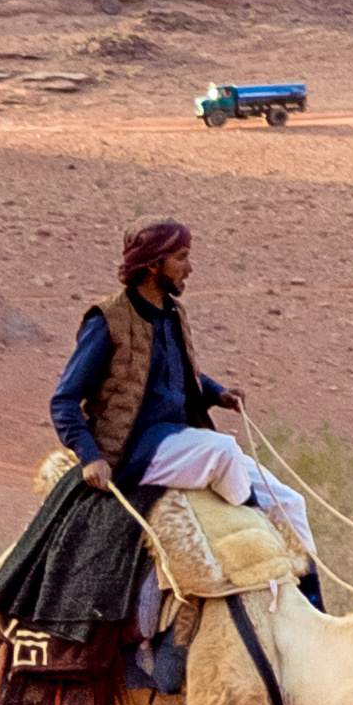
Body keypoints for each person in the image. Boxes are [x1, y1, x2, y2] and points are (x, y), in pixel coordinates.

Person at [49, 217, 321, 588]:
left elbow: (176, 374)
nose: (189, 269)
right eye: (181, 257)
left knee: (291, 502)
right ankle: (257, 543)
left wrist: (217, 394)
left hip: (181, 438)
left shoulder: (173, 313)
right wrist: (89, 455)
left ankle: (308, 601)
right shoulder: (107, 320)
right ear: (152, 263)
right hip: (134, 451)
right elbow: (64, 400)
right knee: (224, 450)